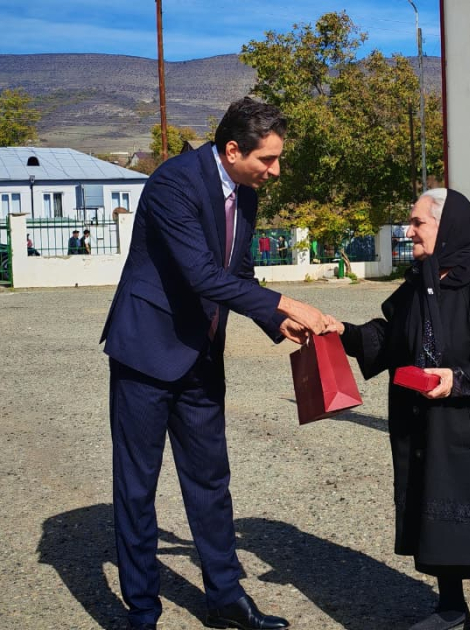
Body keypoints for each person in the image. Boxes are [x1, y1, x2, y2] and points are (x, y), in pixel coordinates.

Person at [100, 97, 328, 630]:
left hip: (201, 357)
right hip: (146, 354)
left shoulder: (245, 193)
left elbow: (237, 274)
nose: (276, 170)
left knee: (211, 482)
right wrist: (289, 302)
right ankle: (142, 610)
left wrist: (276, 322)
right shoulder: (173, 183)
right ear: (232, 150)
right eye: (268, 159)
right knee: (137, 488)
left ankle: (226, 599)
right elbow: (201, 274)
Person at [331, 189, 470, 630]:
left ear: (446, 226)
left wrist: (458, 379)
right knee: (435, 507)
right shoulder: (419, 281)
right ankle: (451, 609)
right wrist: (340, 332)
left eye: (417, 222)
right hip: (427, 422)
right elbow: (391, 338)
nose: (409, 231)